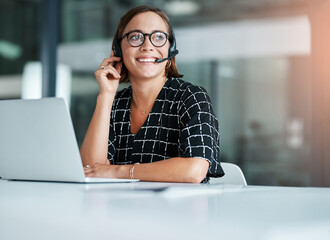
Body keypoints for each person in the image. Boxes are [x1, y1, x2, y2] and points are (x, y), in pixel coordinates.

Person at [80, 5, 224, 183]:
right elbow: (90, 170)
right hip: (120, 209)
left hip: (179, 210)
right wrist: (106, 96)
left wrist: (117, 171)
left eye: (158, 37)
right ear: (118, 50)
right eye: (135, 37)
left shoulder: (191, 97)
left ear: (171, 49)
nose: (147, 46)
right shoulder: (115, 104)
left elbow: (194, 170)